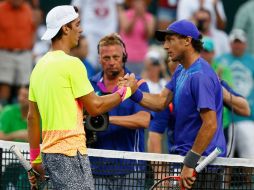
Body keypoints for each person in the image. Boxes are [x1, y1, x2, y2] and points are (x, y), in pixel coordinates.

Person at [27, 6, 137, 189]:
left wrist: (35, 159)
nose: (81, 29)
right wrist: (127, 91)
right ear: (65, 28)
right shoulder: (73, 64)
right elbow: (96, 107)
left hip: (49, 155)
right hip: (70, 154)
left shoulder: (38, 67)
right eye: (77, 24)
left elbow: (32, 118)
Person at [120, 19, 226, 189]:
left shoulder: (200, 76)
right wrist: (134, 92)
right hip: (188, 160)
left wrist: (190, 163)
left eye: (170, 40)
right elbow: (161, 101)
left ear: (187, 41)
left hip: (202, 164)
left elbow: (210, 124)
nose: (165, 46)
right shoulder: (182, 70)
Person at [89, 33, 151, 189]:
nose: (111, 62)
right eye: (106, 58)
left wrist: (106, 120)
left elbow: (143, 120)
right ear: (99, 59)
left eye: (116, 57)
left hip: (131, 167)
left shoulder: (138, 84)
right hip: (96, 168)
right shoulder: (89, 85)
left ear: (124, 56)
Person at [216, 29, 254, 159]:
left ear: (245, 44)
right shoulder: (219, 60)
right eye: (235, 42)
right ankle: (223, 181)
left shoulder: (252, 61)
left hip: (247, 117)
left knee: (249, 158)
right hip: (226, 119)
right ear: (230, 43)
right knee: (225, 158)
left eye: (240, 42)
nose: (237, 45)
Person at [0, 0, 36, 109]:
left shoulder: (28, 10)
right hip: (5, 52)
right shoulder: (1, 8)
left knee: (24, 85)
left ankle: (21, 111)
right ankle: (3, 110)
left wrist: (31, 48)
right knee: (5, 83)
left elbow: (32, 29)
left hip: (24, 53)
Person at [71, 0, 124, 70]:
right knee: (88, 62)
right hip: (89, 32)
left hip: (109, 31)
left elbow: (120, 9)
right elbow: (76, 10)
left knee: (110, 63)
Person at [119, 0, 155, 75]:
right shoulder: (125, 14)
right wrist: (135, 16)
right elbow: (126, 30)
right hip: (126, 56)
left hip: (142, 57)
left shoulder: (149, 17)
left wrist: (143, 18)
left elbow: (149, 35)